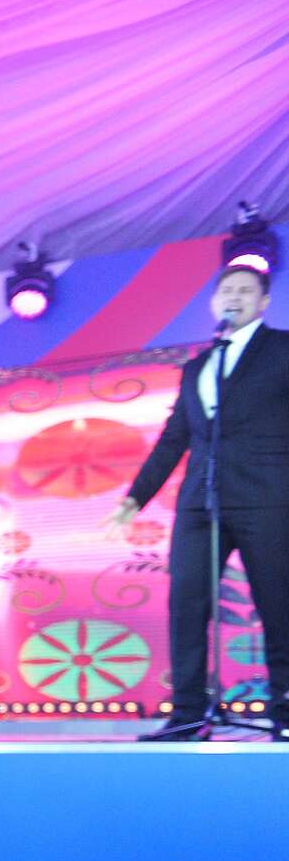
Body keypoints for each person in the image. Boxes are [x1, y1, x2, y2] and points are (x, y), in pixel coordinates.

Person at [104, 264, 289, 740]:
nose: (235, 297)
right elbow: (174, 439)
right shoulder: (198, 367)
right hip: (200, 503)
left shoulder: (282, 349)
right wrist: (134, 499)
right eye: (227, 290)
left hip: (268, 498)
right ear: (214, 303)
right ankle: (188, 714)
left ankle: (286, 712)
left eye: (245, 290)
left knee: (279, 605)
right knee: (186, 604)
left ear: (263, 302)